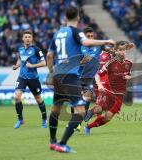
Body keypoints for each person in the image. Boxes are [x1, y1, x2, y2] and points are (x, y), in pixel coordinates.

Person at [46, 6, 115, 153]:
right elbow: (86, 43)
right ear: (78, 18)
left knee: (56, 109)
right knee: (80, 111)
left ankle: (52, 141)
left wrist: (52, 72)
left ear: (65, 17)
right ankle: (62, 143)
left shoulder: (57, 33)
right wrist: (105, 40)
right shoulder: (75, 31)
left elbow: (49, 56)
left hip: (58, 75)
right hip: (70, 76)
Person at [83, 41, 134, 135]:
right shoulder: (110, 63)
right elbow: (97, 75)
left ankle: (88, 127)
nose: (123, 52)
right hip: (108, 90)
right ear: (116, 51)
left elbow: (128, 75)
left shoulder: (129, 63)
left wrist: (128, 77)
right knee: (99, 109)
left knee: (108, 117)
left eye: (124, 50)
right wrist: (100, 85)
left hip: (119, 95)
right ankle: (89, 113)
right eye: (121, 50)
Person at [13, 30, 47, 129]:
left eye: (29, 37)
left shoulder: (36, 50)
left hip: (33, 79)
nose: (27, 38)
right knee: (17, 97)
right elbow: (20, 59)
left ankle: (44, 119)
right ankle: (20, 119)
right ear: (23, 39)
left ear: (31, 39)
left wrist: (32, 65)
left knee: (38, 99)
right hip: (22, 77)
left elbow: (44, 63)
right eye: (26, 37)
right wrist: (16, 66)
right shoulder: (20, 49)